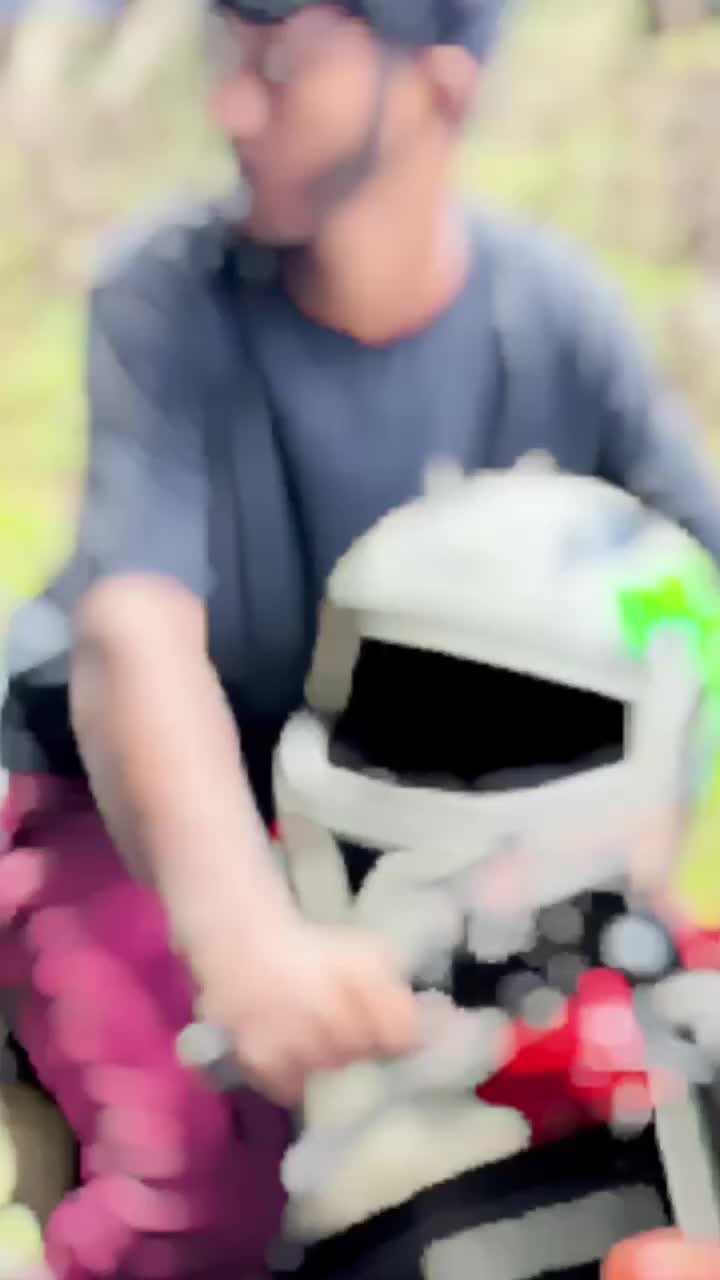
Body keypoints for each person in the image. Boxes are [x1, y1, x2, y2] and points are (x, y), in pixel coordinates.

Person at [3, 0, 720, 1275]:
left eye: (283, 62)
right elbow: (137, 635)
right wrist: (245, 948)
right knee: (200, 1191)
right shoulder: (172, 300)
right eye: (227, 55)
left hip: (399, 835)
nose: (233, 102)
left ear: (439, 84)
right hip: (129, 815)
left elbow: (688, 581)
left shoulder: (548, 316)